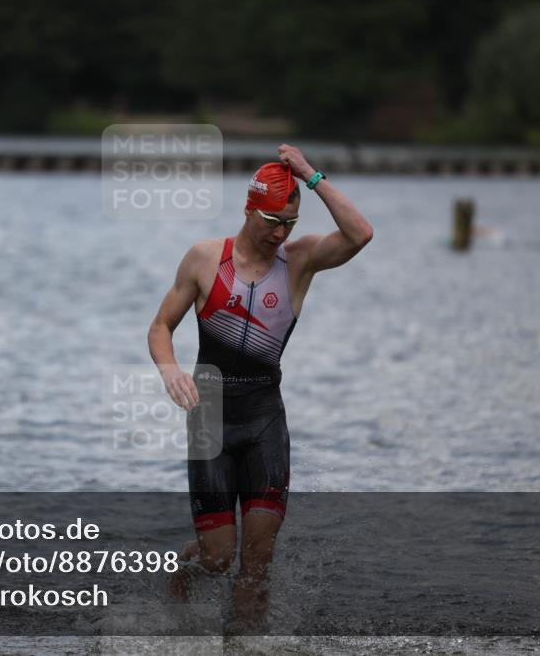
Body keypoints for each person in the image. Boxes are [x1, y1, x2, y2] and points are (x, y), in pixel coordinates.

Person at [147, 144, 373, 627]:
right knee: (218, 558)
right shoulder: (206, 260)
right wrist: (170, 370)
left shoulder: (299, 261)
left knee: (257, 562)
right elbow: (160, 326)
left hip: (265, 417)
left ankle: (245, 643)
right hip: (210, 418)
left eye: (288, 223)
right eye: (271, 220)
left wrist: (310, 175)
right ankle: (182, 571)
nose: (279, 232)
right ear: (249, 210)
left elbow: (360, 233)